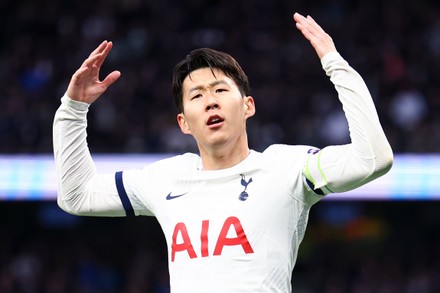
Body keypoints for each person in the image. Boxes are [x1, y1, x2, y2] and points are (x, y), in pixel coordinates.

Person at [53, 12, 393, 292]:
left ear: (248, 106)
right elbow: (76, 196)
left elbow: (373, 159)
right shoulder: (165, 178)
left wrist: (335, 65)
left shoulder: (287, 168)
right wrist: (73, 109)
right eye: (197, 95)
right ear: (184, 123)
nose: (211, 100)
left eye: (220, 89)